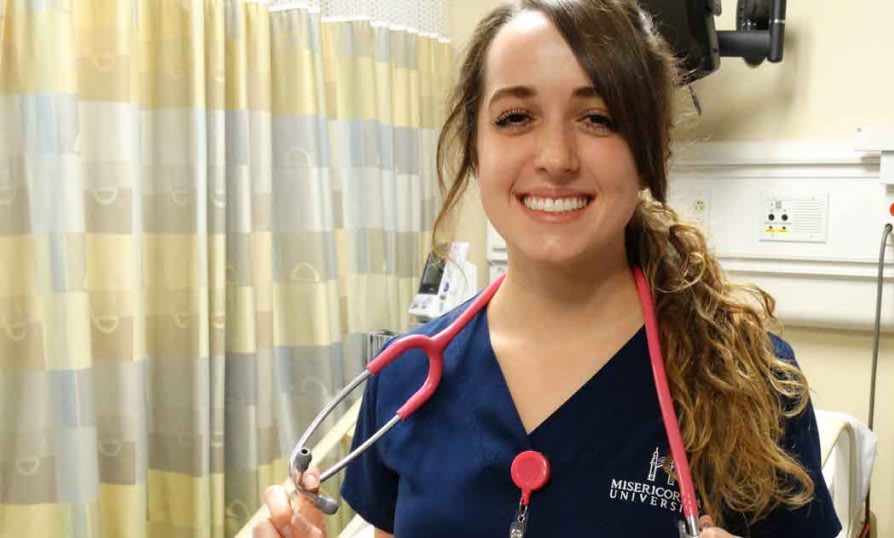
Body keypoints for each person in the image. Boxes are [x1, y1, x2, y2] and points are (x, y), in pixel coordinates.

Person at [255, 0, 842, 536]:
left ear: (650, 150)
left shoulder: (754, 384)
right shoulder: (406, 375)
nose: (556, 158)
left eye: (599, 118)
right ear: (475, 147)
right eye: (515, 117)